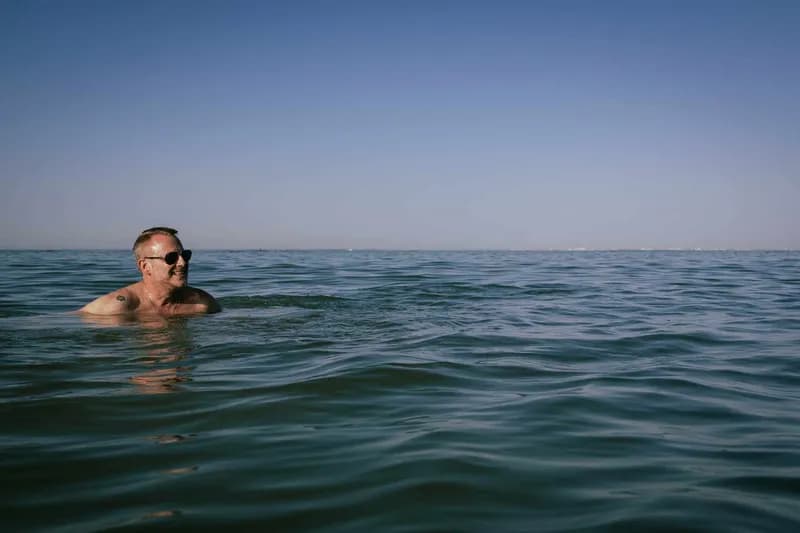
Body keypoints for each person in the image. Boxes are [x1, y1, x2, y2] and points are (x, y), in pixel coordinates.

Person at [80, 226, 220, 316]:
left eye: (185, 255)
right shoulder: (117, 307)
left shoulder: (202, 304)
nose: (182, 263)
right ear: (145, 266)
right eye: (171, 258)